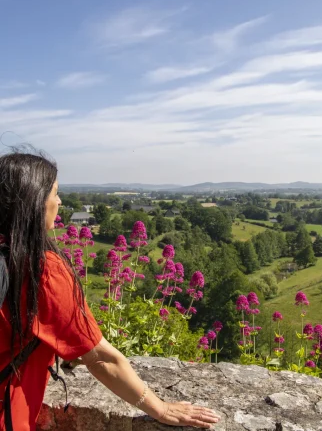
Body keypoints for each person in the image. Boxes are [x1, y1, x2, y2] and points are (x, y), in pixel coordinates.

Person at [0, 150, 220, 431]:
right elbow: (102, 358)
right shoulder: (42, 271)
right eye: (54, 193)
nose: (60, 201)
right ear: (33, 202)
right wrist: (161, 408)